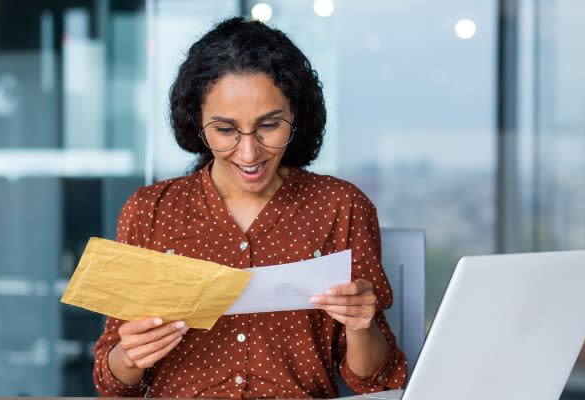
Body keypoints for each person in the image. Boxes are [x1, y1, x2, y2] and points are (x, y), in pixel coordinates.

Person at [93, 16, 407, 398]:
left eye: (269, 126)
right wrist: (130, 356)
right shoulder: (150, 211)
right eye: (225, 130)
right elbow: (112, 383)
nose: (249, 152)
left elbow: (374, 379)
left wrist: (361, 323)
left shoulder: (339, 206)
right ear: (197, 122)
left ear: (296, 116)